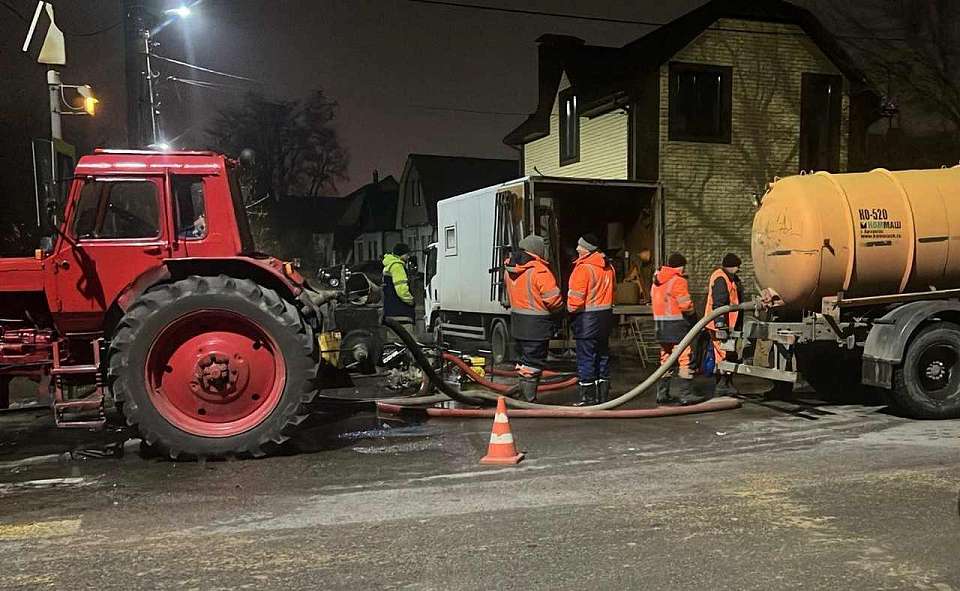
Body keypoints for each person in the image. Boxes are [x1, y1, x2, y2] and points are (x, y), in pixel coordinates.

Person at [504, 234, 563, 402]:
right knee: (533, 363)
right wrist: (560, 311)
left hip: (518, 322)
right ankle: (529, 400)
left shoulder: (510, 269)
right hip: (536, 325)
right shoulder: (539, 270)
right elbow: (553, 299)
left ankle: (524, 394)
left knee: (524, 362)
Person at [567, 233, 616, 405]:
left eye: (580, 246)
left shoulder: (583, 269)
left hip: (587, 320)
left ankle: (587, 398)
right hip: (605, 319)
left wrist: (568, 310)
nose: (577, 248)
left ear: (587, 249)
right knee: (602, 356)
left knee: (586, 358)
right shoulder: (608, 267)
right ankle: (603, 397)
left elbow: (575, 301)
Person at [650, 252, 698, 405]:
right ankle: (686, 394)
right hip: (677, 326)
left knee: (666, 359)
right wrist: (693, 314)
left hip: (660, 326)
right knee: (685, 358)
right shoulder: (678, 281)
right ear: (681, 266)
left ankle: (662, 394)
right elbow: (685, 305)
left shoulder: (656, 282)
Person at [704, 252, 745, 396]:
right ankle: (722, 384)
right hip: (719, 324)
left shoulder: (731, 278)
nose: (739, 269)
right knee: (722, 354)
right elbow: (719, 303)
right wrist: (721, 325)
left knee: (729, 353)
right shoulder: (721, 278)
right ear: (731, 266)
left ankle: (726, 382)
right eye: (737, 266)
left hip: (729, 323)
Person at [382, 243, 416, 326]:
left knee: (393, 338)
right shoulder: (397, 266)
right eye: (407, 254)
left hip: (390, 310)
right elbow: (401, 289)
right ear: (401, 254)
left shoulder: (389, 265)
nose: (408, 257)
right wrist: (411, 301)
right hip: (401, 311)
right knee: (406, 338)